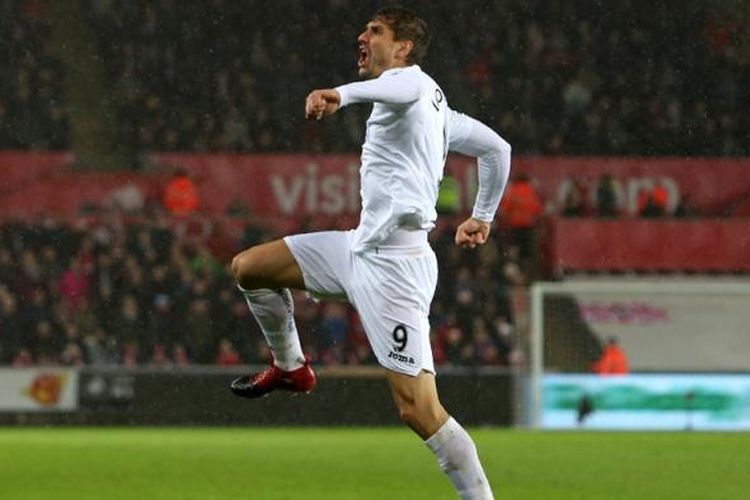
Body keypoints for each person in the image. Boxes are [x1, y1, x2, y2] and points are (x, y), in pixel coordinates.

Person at [228, 8, 510, 499]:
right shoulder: (440, 110)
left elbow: (393, 90)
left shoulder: (412, 85)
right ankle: (292, 367)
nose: (362, 36)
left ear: (402, 48)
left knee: (419, 411)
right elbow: (498, 150)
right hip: (357, 249)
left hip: (397, 269)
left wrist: (338, 96)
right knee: (250, 269)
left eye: (376, 31)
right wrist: (481, 216)